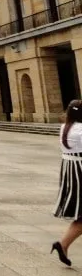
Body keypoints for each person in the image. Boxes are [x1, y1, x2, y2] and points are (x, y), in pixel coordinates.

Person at [52, 99, 82, 266]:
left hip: (72, 174)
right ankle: (62, 244)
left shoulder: (64, 127)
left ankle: (62, 245)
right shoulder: (80, 130)